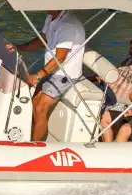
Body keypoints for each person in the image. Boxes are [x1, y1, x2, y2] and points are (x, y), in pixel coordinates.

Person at [11, 10, 86, 141]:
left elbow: (60, 57)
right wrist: (19, 48)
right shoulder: (51, 17)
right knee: (33, 101)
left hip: (65, 74)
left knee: (41, 108)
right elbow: (41, 41)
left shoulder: (68, 25)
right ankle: (30, 136)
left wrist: (38, 76)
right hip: (53, 70)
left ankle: (35, 146)